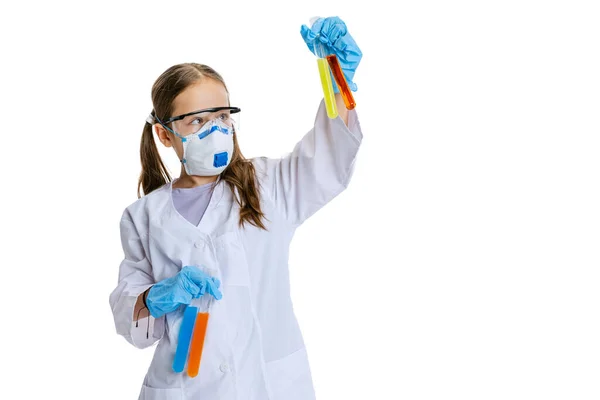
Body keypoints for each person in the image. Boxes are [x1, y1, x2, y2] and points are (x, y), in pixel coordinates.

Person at [109, 16, 363, 400]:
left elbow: (328, 157)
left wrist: (335, 76)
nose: (216, 129)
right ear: (164, 134)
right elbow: (132, 321)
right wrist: (156, 296)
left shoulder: (268, 187)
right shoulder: (142, 217)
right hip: (185, 385)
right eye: (197, 121)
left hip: (268, 383)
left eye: (223, 116)